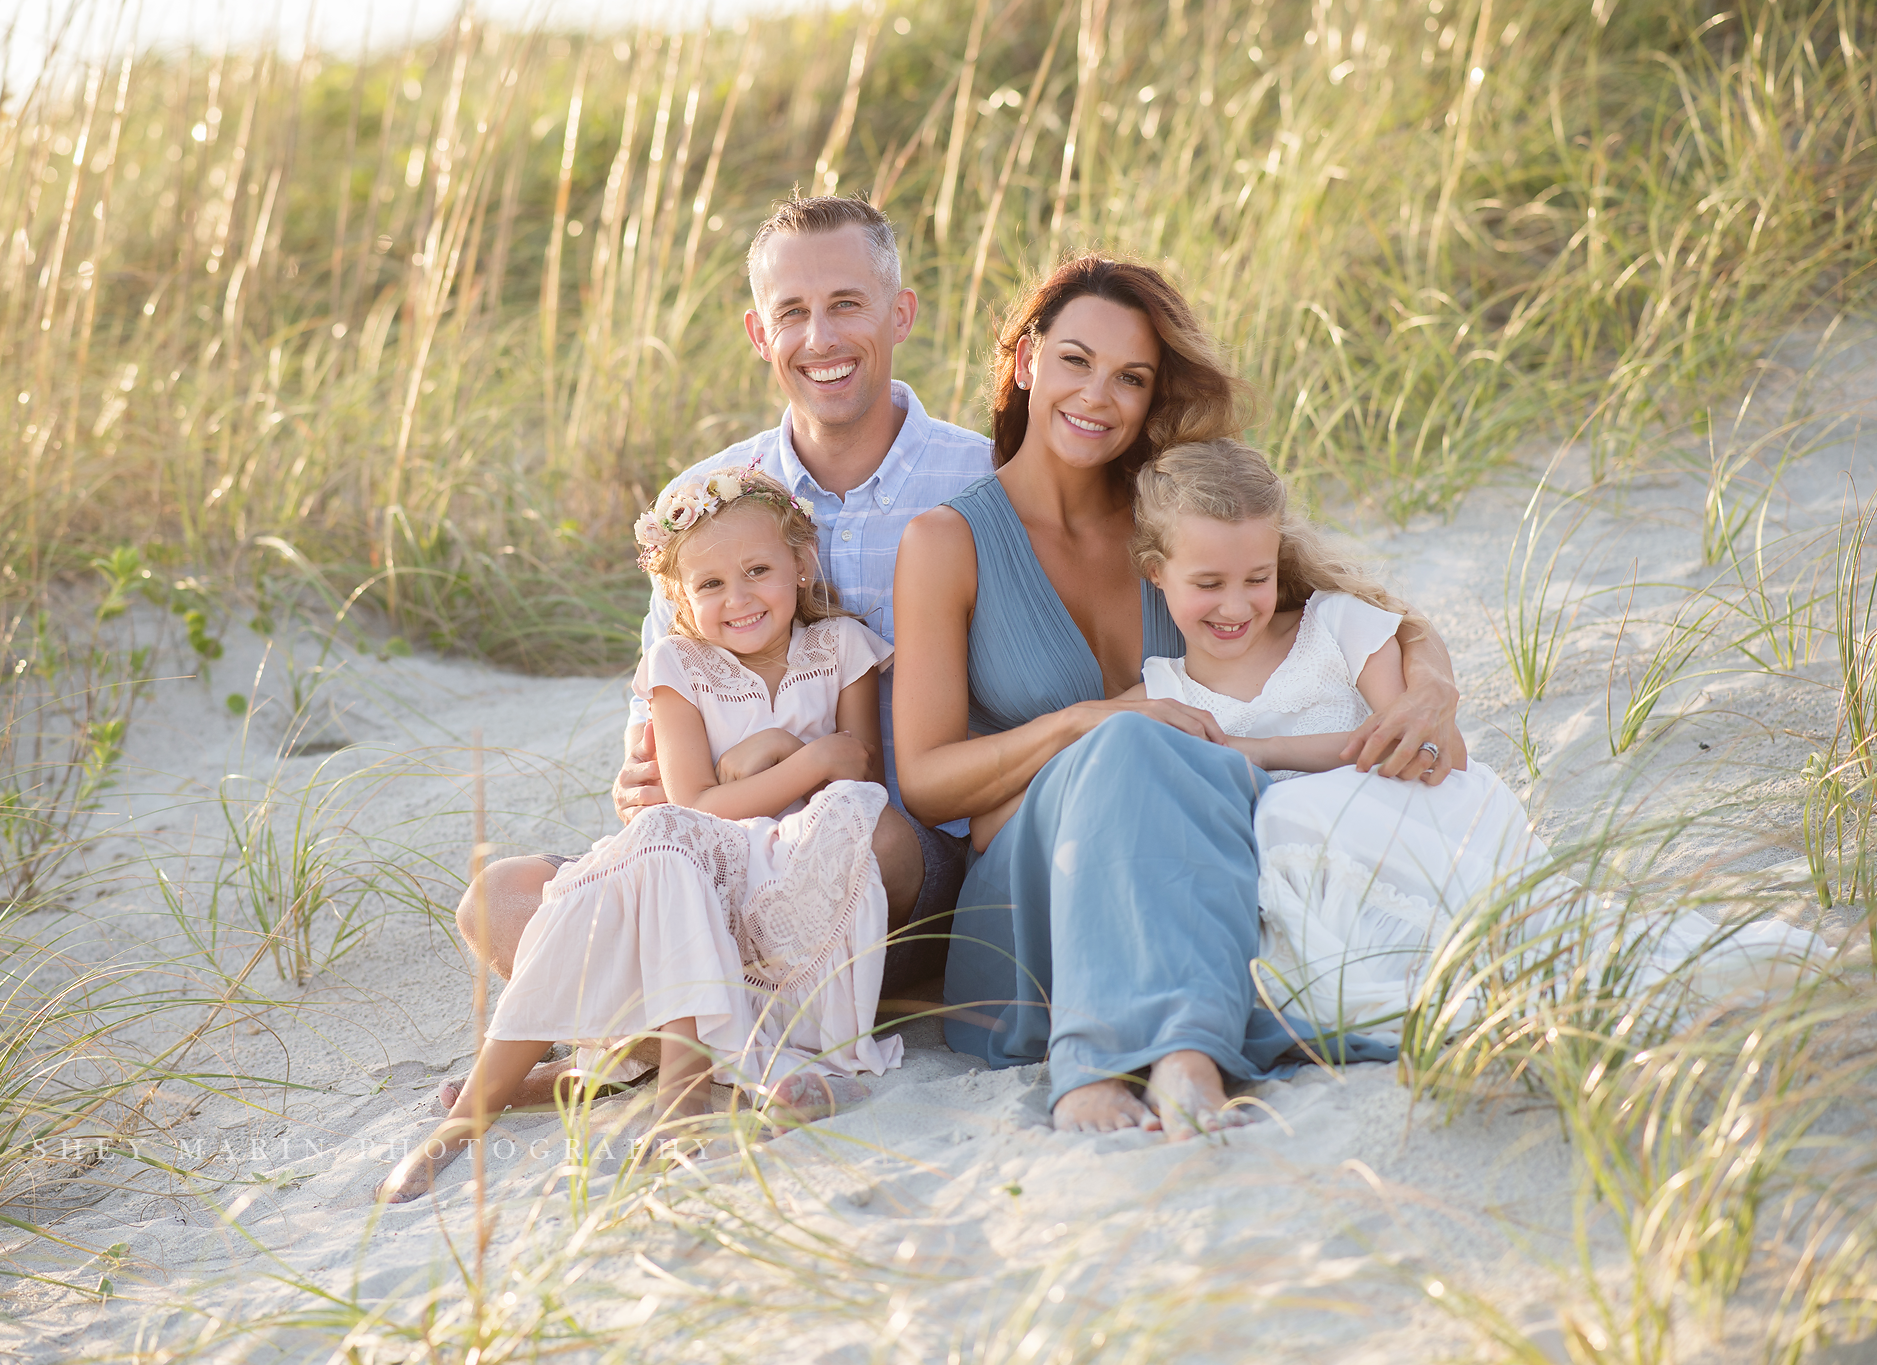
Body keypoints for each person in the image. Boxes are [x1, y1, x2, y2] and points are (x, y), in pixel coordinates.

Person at [436, 194, 993, 1116]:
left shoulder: (977, 480)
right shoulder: (704, 498)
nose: (821, 336)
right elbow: (655, 752)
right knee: (497, 901)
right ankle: (717, 1029)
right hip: (722, 856)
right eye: (792, 313)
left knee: (865, 827)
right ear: (757, 332)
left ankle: (653, 1040)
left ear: (900, 312)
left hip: (896, 863)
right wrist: (645, 779)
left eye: (848, 303)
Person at [891, 254, 1466, 1141]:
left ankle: (1184, 1055)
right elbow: (928, 781)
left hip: (1195, 871)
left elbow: (1358, 610)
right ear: (1024, 362)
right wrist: (1092, 718)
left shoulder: (1169, 512)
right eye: (1076, 361)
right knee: (1134, 746)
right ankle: (1099, 1063)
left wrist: (1433, 687)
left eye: (1131, 377)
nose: (1098, 396)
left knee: (1184, 770)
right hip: (1036, 904)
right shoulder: (948, 540)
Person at [1133, 437, 1829, 1037]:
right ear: (1155, 572)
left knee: (1288, 810)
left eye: (1256, 577)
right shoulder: (1160, 695)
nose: (1236, 604)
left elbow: (1437, 753)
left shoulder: (1338, 628)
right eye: (1208, 582)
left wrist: (1258, 753)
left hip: (1425, 822)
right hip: (1333, 897)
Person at [379, 470, 905, 1202]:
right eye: (712, 583)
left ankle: (606, 1077)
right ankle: (488, 1111)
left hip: (794, 880)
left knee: (828, 815)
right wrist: (798, 758)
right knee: (662, 838)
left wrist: (756, 761)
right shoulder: (675, 665)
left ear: (801, 563)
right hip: (696, 871)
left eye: (759, 570)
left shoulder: (842, 646)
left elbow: (855, 775)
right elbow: (695, 803)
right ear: (679, 598)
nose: (741, 597)